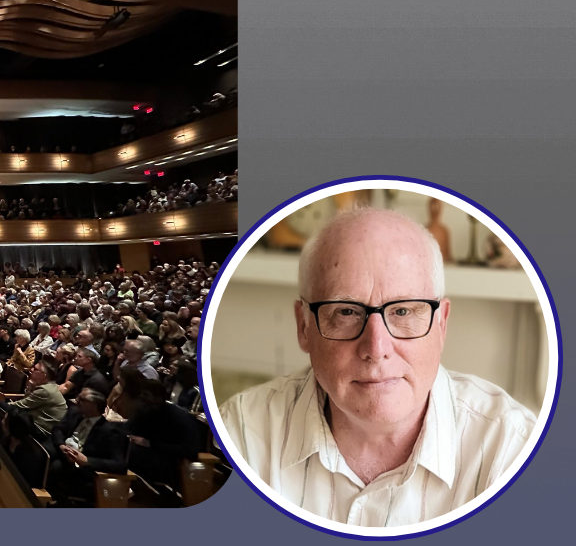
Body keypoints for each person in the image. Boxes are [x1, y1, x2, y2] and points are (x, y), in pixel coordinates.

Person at [219, 208, 537, 527]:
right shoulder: (238, 435)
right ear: (304, 327)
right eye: (345, 312)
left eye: (402, 311)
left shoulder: (514, 449)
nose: (376, 349)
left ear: (441, 324)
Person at [47, 389, 128, 505]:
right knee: (39, 452)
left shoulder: (110, 431)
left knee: (56, 466)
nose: (76, 400)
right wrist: (61, 445)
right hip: (63, 451)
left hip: (82, 468)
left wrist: (87, 461)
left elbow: (120, 464)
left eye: (82, 400)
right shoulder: (75, 413)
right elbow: (58, 429)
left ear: (94, 406)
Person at [5, 361, 68, 433]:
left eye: (35, 369)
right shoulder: (49, 386)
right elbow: (26, 402)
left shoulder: (45, 390)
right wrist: (30, 389)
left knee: (3, 407)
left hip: (42, 429)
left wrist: (7, 404)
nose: (31, 370)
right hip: (39, 422)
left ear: (43, 375)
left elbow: (21, 405)